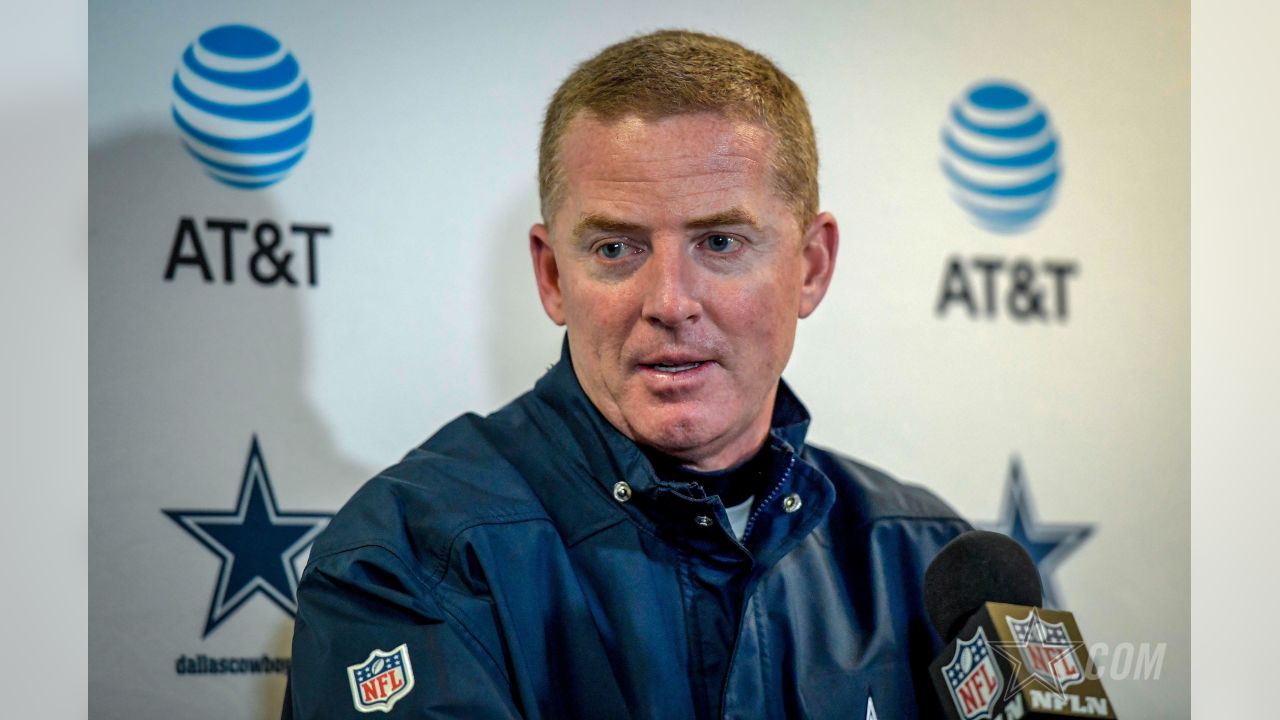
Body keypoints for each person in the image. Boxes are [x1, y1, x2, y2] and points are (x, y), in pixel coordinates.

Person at [283, 30, 970, 719]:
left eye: (721, 242)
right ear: (553, 276)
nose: (670, 302)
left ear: (812, 267)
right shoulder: (409, 559)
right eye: (616, 248)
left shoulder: (927, 559)